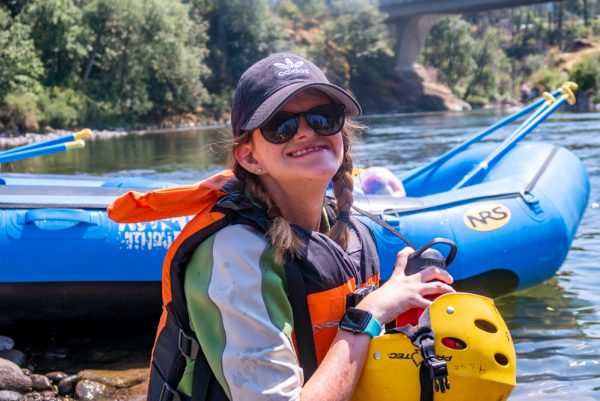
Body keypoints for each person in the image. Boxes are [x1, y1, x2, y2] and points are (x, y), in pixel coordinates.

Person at [109, 52, 455, 401]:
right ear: (250, 157)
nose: (305, 132)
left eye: (322, 117)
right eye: (281, 126)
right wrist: (370, 314)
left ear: (341, 136)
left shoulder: (346, 231)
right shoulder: (235, 255)